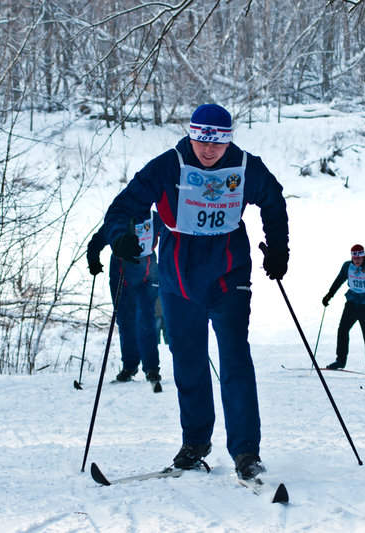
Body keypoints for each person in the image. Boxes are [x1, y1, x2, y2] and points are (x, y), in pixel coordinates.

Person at [100, 104, 289, 481]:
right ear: (191, 134)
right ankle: (195, 445)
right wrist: (118, 236)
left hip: (228, 275)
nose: (208, 150)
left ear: (229, 139)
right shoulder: (169, 165)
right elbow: (124, 204)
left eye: (217, 142)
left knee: (235, 357)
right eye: (202, 140)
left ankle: (246, 452)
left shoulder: (245, 166)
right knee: (188, 359)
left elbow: (273, 199)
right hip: (178, 279)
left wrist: (279, 247)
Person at [87, 210, 162, 386]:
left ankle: (151, 368)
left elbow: (172, 234)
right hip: (122, 274)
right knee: (125, 320)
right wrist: (93, 260)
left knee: (147, 319)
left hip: (148, 274)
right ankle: (129, 366)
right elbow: (97, 241)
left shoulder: (154, 218)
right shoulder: (119, 218)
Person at [322, 245, 365, 377]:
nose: (357, 260)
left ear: (363, 256)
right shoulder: (347, 266)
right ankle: (340, 361)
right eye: (354, 257)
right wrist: (329, 295)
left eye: (359, 257)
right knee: (342, 330)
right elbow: (338, 281)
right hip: (352, 303)